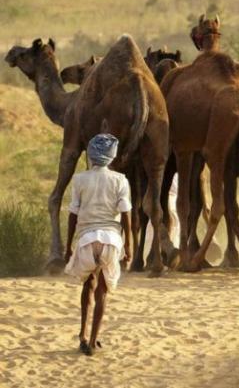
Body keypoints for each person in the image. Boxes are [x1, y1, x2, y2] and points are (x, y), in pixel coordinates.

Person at [64, 134, 132, 356]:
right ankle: (93, 341)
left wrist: (67, 247)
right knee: (103, 291)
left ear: (91, 156)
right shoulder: (120, 180)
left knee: (88, 285)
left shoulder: (79, 179)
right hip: (111, 240)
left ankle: (82, 336)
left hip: (86, 239)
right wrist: (129, 245)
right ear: (111, 157)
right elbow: (126, 215)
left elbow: (73, 214)